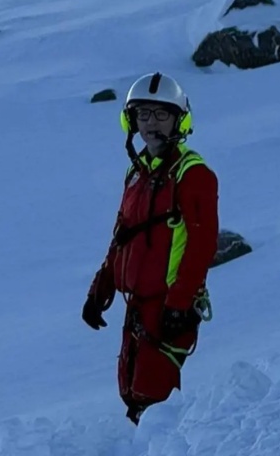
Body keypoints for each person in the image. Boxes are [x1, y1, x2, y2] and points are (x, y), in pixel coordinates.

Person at [82, 73, 218, 425]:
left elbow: (202, 245)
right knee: (131, 388)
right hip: (137, 304)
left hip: (169, 303)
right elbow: (122, 235)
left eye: (161, 114)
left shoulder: (193, 174)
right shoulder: (137, 173)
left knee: (153, 393)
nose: (151, 124)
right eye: (143, 114)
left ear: (179, 119)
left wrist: (180, 302)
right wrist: (101, 287)